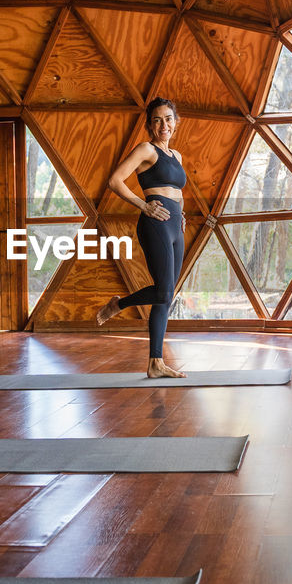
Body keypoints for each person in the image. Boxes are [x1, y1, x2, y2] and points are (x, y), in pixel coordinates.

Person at [97, 98, 188, 378]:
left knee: (166, 296)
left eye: (169, 118)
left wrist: (181, 213)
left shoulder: (177, 156)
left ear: (176, 121)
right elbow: (115, 180)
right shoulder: (146, 149)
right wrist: (144, 205)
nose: (164, 125)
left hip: (175, 225)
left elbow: (178, 191)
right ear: (150, 124)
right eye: (158, 120)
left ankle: (155, 363)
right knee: (162, 291)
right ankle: (118, 304)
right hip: (155, 223)